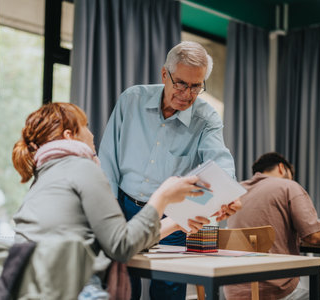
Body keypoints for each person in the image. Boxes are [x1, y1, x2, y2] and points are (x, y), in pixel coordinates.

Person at [11, 102, 228, 299]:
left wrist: (174, 223)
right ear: (70, 135)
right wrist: (162, 197)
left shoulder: (43, 178)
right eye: (85, 126)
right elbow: (121, 246)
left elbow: (111, 239)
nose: (92, 133)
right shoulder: (82, 168)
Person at [98, 41, 240, 299]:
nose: (187, 94)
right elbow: (107, 161)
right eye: (181, 83)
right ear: (165, 74)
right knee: (120, 290)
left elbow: (219, 159)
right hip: (124, 210)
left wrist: (227, 192)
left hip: (170, 219)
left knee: (167, 295)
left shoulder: (206, 118)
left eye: (196, 86)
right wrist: (107, 216)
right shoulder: (132, 100)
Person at [224, 152, 320, 300]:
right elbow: (315, 237)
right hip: (277, 289)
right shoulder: (288, 186)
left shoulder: (236, 194)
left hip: (232, 289)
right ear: (282, 168)